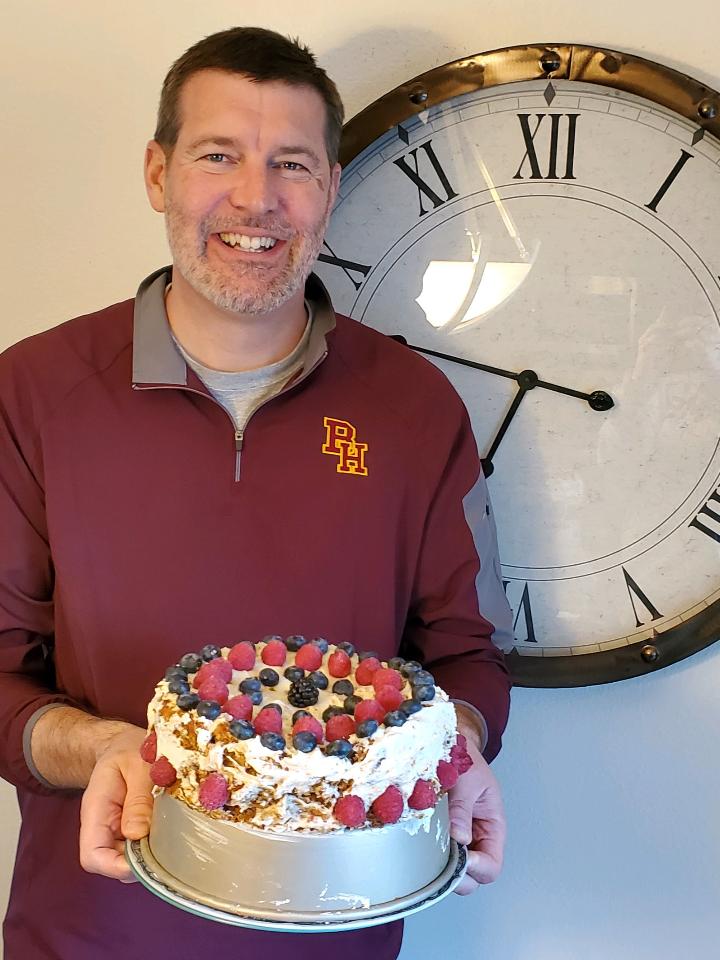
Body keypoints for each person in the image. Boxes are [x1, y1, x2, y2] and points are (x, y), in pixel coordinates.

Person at [0, 26, 512, 960]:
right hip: (88, 934)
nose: (255, 200)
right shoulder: (32, 392)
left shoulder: (414, 406)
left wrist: (457, 747)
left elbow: (469, 657)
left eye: (292, 165)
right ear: (158, 175)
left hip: (341, 932)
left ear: (330, 189)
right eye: (216, 156)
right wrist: (110, 750)